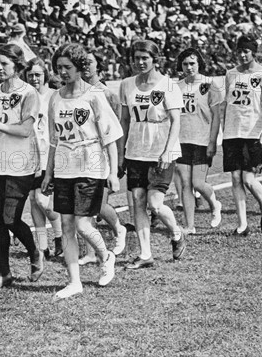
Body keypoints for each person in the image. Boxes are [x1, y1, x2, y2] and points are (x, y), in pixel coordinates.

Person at [41, 43, 122, 299]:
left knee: (83, 224)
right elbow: (54, 140)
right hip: (64, 167)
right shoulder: (55, 98)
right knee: (66, 224)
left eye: (68, 67)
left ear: (80, 68)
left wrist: (113, 171)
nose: (62, 72)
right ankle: (74, 281)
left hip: (91, 166)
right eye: (59, 68)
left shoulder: (95, 95)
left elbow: (110, 137)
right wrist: (48, 173)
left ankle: (106, 256)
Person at [0, 44, 43, 292]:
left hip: (20, 165)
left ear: (17, 65)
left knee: (10, 218)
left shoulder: (29, 94)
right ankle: (3, 273)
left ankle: (35, 250)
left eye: (4, 63)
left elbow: (25, 130)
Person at [118, 40, 187, 270]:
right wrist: (121, 154)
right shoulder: (127, 84)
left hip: (161, 152)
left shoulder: (168, 85)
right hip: (136, 151)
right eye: (136, 58)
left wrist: (168, 150)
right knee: (137, 200)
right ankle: (145, 253)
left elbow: (177, 119)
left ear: (154, 59)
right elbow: (125, 120)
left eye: (145, 58)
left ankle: (176, 233)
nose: (140, 62)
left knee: (155, 204)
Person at [221, 36, 262, 236]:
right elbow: (226, 104)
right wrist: (223, 130)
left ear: (254, 52)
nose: (243, 55)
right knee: (236, 177)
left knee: (248, 179)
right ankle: (242, 224)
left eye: (246, 51)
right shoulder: (231, 74)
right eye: (240, 51)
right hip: (232, 132)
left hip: (253, 132)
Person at [78, 51, 129, 266]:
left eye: (90, 62)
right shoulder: (76, 91)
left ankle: (119, 227)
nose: (86, 67)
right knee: (84, 209)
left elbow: (116, 131)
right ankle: (90, 253)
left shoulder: (107, 94)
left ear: (99, 65)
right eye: (82, 63)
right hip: (81, 156)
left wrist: (117, 164)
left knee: (97, 204)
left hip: (104, 156)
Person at [175, 48, 224, 233]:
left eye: (192, 63)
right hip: (182, 140)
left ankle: (214, 204)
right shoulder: (176, 86)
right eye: (185, 64)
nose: (189, 67)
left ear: (199, 64)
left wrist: (212, 142)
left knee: (198, 183)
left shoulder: (209, 84)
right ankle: (189, 225)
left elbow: (216, 116)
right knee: (185, 183)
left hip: (203, 140)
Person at [24, 58, 63, 260]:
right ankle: (42, 246)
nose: (34, 78)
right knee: (33, 200)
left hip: (49, 154)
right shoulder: (26, 96)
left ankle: (60, 237)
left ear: (46, 75)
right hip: (29, 155)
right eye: (30, 75)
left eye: (38, 74)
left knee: (43, 200)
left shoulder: (54, 96)